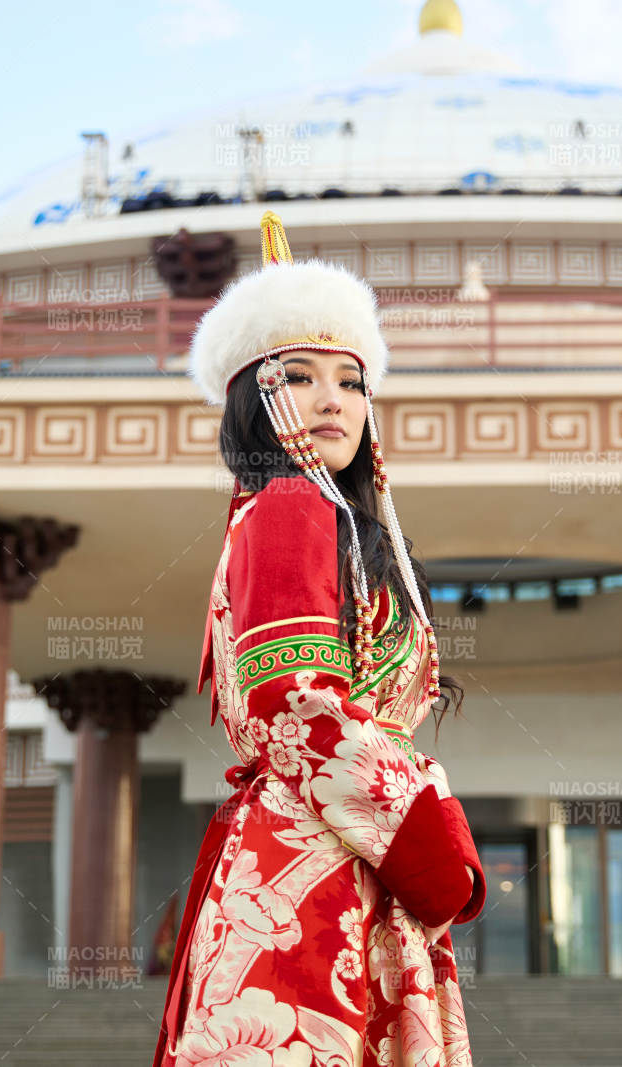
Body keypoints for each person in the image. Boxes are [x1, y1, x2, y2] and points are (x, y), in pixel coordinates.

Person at [154, 212, 486, 1066]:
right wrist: (427, 837)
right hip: (317, 868)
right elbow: (296, 704)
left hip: (331, 846)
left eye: (353, 380)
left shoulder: (314, 519)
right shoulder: (293, 506)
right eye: (298, 376)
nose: (333, 398)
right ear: (252, 397)